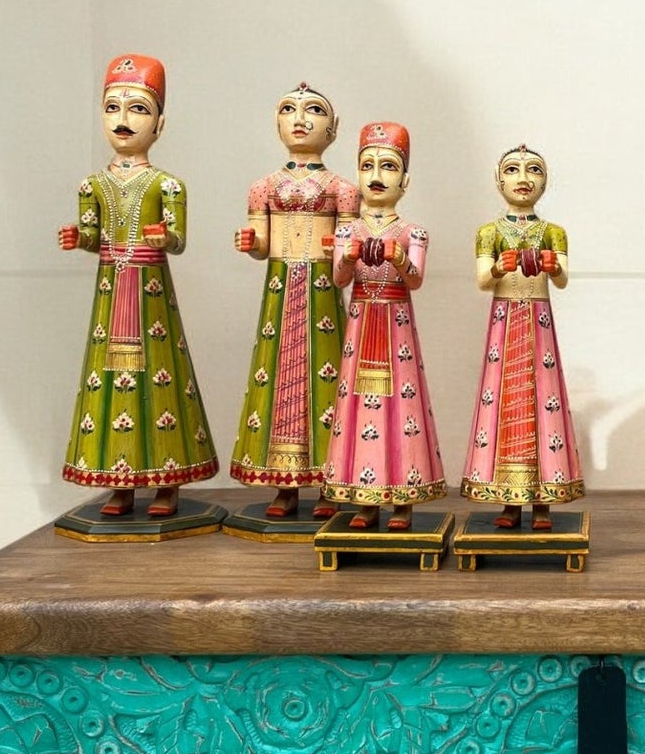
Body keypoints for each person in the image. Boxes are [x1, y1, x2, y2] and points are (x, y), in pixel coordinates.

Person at [57, 54, 219, 518]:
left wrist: (164, 238)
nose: (122, 119)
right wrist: (80, 237)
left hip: (151, 297)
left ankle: (168, 483)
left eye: (138, 109)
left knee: (160, 377)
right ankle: (120, 483)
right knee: (109, 381)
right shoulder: (92, 185)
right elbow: (95, 236)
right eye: (112, 107)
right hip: (111, 294)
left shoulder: (168, 185)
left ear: (160, 124)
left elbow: (178, 239)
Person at [230, 84, 357, 519]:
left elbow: (350, 247)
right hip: (280, 289)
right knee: (276, 373)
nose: (300, 119)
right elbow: (263, 245)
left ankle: (328, 482)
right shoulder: (263, 187)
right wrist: (251, 243)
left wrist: (341, 250)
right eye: (289, 109)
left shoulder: (343, 189)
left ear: (333, 129)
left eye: (314, 111)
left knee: (327, 376)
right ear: (277, 123)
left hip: (323, 293)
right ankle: (284, 486)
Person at [322, 122, 445, 529]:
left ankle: (403, 501)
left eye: (389, 166)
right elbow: (340, 279)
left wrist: (399, 258)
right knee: (359, 405)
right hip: (360, 324)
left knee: (401, 405)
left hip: (396, 324)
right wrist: (346, 256)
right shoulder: (347, 230)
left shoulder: (413, 232)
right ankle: (365, 500)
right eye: (368, 165)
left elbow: (415, 280)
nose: (377, 176)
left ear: (405, 181)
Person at [460, 144, 583, 529]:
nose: (524, 178)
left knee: (543, 401)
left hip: (539, 325)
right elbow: (484, 280)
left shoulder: (554, 233)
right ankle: (509, 503)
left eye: (534, 170)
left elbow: (562, 279)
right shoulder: (489, 233)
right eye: (513, 170)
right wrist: (499, 266)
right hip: (504, 321)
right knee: (505, 403)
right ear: (499, 181)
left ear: (546, 181)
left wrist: (551, 265)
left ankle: (543, 502)